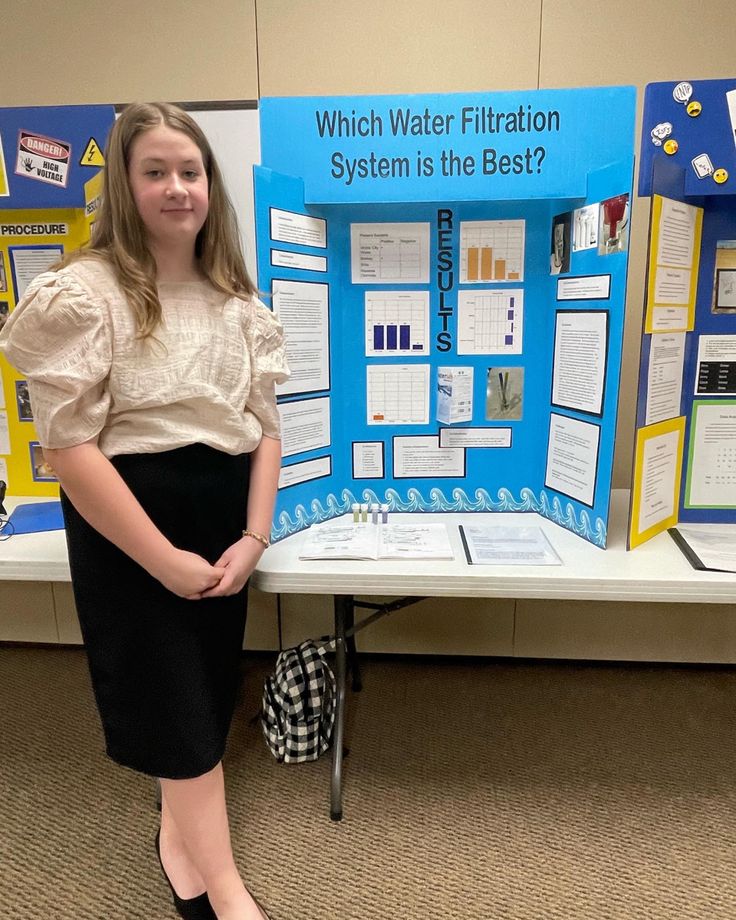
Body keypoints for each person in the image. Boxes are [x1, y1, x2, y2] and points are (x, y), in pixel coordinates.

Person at [0, 102, 289, 920]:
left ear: (210, 187)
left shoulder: (238, 299)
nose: (177, 188)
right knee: (173, 704)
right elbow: (66, 449)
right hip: (132, 529)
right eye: (155, 171)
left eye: (190, 172)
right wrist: (161, 558)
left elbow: (267, 430)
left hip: (222, 524)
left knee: (196, 695)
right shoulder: (85, 293)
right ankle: (226, 891)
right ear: (125, 184)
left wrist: (254, 535)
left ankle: (173, 839)